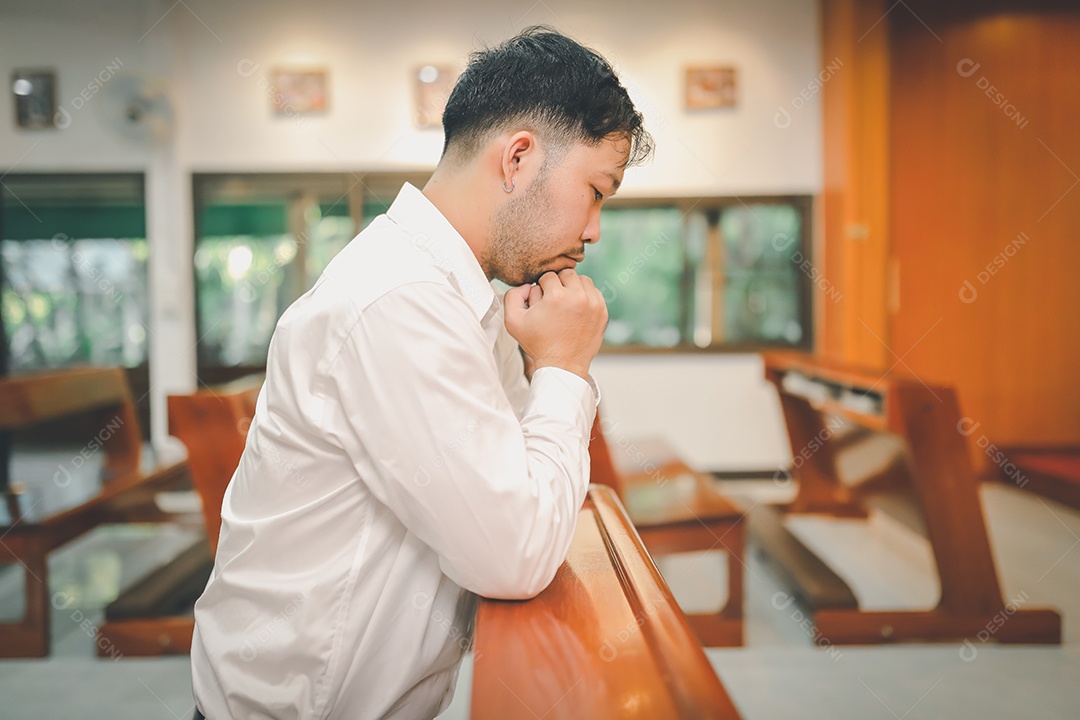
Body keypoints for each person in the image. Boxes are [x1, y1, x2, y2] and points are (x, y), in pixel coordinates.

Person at [190, 25, 652, 720]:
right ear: (518, 158)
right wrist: (563, 365)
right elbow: (516, 554)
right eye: (595, 191)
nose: (593, 231)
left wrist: (546, 359)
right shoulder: (399, 300)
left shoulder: (460, 296)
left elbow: (526, 486)